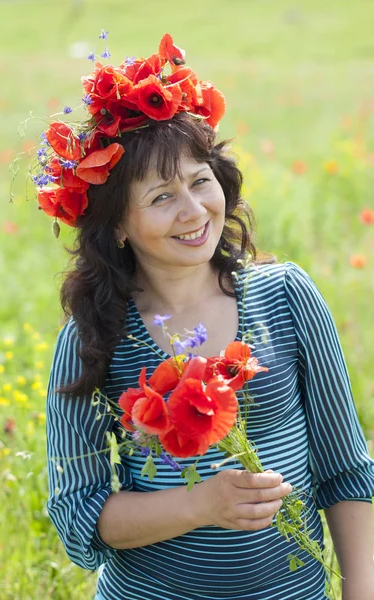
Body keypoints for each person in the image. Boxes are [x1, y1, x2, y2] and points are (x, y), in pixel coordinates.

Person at [42, 33, 374, 600]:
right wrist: (201, 505)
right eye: (161, 197)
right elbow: (79, 518)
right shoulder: (93, 336)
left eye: (201, 181)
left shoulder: (287, 296)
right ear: (117, 225)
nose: (194, 211)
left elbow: (346, 469)